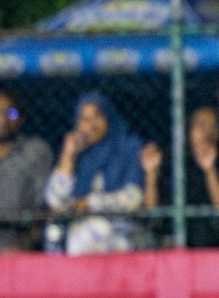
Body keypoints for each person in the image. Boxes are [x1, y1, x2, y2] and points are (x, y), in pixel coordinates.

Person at [43, 92, 146, 255]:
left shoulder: (128, 148)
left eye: (97, 116)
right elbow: (55, 202)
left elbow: (134, 197)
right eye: (84, 119)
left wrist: (90, 203)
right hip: (79, 232)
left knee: (96, 230)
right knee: (54, 232)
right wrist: (68, 155)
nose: (91, 124)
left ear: (109, 118)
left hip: (120, 228)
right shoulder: (78, 156)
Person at [141, 106, 219, 248]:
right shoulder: (172, 160)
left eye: (213, 126)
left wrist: (210, 170)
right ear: (188, 130)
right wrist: (151, 174)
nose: (207, 132)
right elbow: (151, 212)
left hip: (213, 241)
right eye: (201, 125)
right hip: (172, 240)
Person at [0, 91, 53, 253]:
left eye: (11, 113)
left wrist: (28, 243)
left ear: (20, 119)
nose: (2, 119)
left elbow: (45, 205)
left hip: (21, 240)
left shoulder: (35, 152)